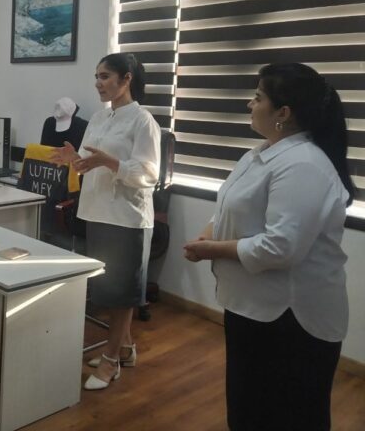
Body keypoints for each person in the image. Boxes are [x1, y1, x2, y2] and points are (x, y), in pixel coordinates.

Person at [183, 63, 353, 431]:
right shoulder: (260, 154)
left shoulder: (303, 165)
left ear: (283, 113)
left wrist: (213, 249)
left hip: (290, 322)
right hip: (252, 309)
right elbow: (229, 207)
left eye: (258, 98)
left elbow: (280, 248)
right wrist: (207, 235)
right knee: (248, 411)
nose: (250, 104)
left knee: (285, 416)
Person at [51, 53, 160, 390]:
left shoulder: (143, 121)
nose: (98, 83)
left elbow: (149, 175)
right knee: (109, 289)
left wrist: (110, 163)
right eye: (96, 76)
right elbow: (89, 163)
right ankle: (125, 349)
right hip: (96, 211)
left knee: (122, 293)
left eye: (105, 76)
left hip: (126, 218)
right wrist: (74, 159)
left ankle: (111, 361)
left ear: (126, 79)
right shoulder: (99, 118)